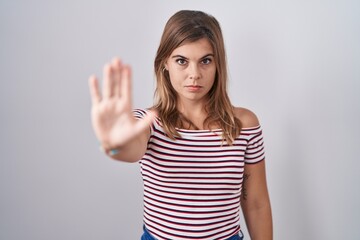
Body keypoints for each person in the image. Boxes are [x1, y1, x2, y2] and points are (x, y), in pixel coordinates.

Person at [88, 10, 272, 240]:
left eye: (205, 61)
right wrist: (113, 144)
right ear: (165, 62)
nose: (194, 74)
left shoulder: (244, 125)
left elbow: (256, 203)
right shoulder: (148, 123)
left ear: (218, 64)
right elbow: (128, 149)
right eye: (181, 61)